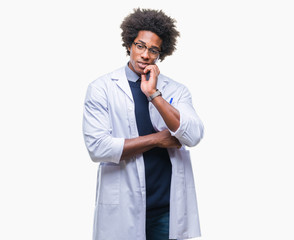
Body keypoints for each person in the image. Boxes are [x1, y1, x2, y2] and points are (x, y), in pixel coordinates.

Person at [83, 8, 204, 240]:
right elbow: (98, 148)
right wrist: (158, 139)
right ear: (129, 44)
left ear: (161, 54)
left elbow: (193, 135)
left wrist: (154, 94)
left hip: (167, 208)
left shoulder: (176, 90)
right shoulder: (101, 88)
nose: (145, 55)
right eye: (140, 46)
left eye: (153, 50)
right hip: (122, 209)